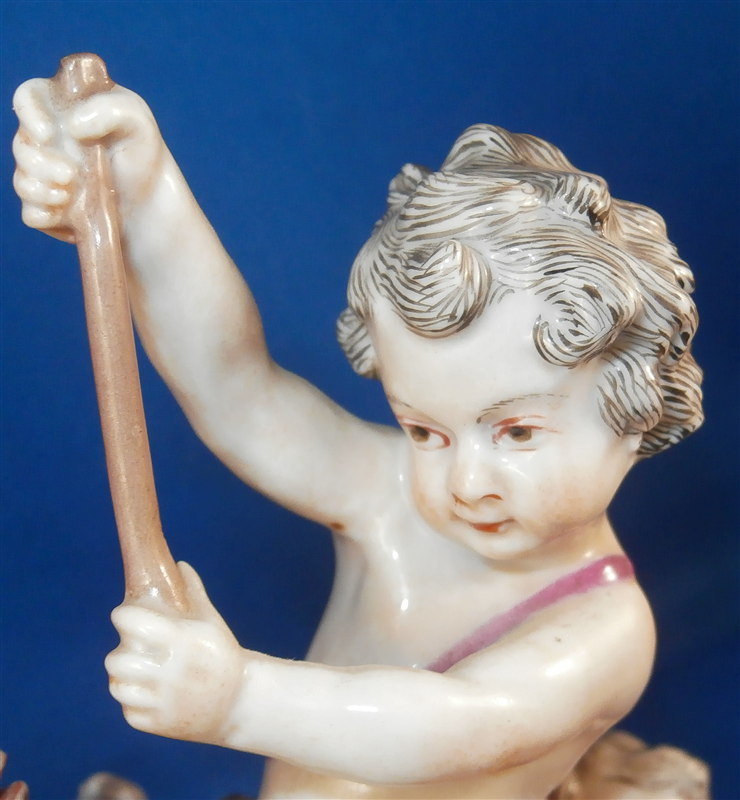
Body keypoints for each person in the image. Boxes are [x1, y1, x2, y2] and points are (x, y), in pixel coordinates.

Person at [13, 75, 703, 799]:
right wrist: (140, 197)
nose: (466, 483)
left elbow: (461, 724)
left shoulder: (606, 630)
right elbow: (238, 392)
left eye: (518, 431)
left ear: (637, 414)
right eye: (425, 430)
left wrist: (237, 698)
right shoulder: (390, 493)